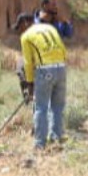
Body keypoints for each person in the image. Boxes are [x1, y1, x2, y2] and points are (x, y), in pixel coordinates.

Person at [16, 9, 68, 149]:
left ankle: (40, 144)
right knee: (57, 107)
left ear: (25, 23)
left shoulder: (26, 36)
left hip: (45, 70)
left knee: (41, 108)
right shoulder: (50, 28)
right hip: (62, 68)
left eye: (19, 27)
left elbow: (27, 63)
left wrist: (30, 83)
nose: (20, 31)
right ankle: (56, 139)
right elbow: (63, 49)